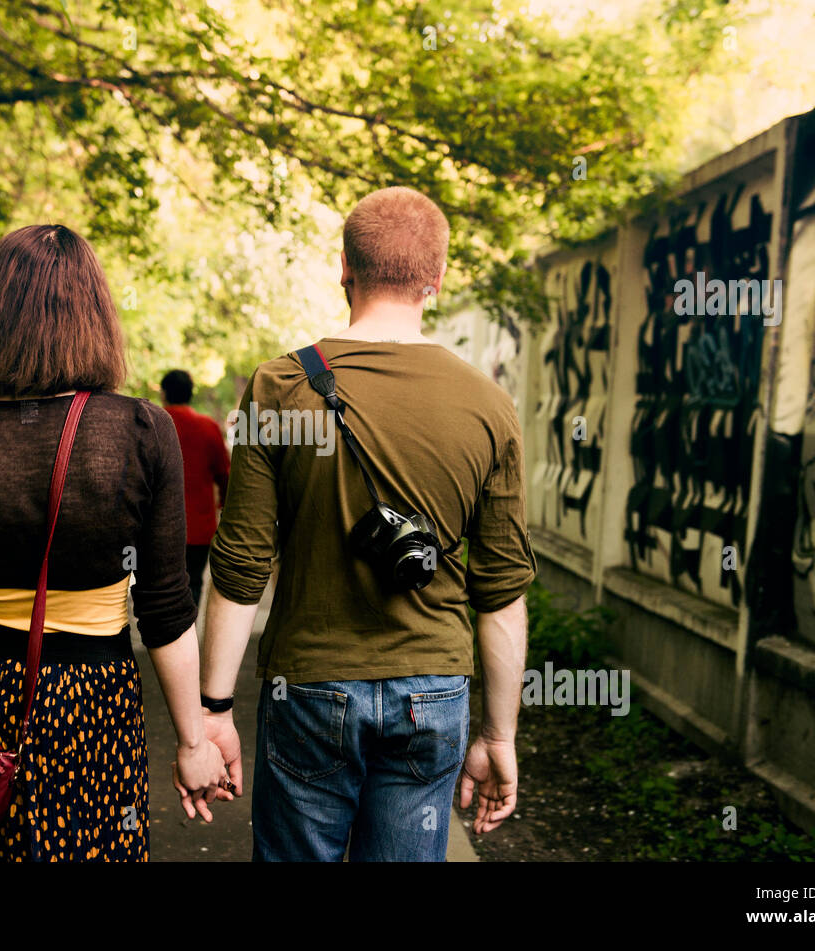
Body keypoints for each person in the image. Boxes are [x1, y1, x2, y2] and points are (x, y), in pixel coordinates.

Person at [0, 224, 229, 863]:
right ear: (96, 317)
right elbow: (166, 612)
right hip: (92, 699)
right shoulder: (142, 431)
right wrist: (194, 741)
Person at [198, 186, 537, 861]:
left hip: (310, 688)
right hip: (433, 690)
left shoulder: (281, 385)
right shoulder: (489, 404)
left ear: (345, 268)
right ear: (436, 279)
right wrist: (499, 735)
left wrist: (211, 713)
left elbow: (239, 567)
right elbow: (500, 596)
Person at [159, 369, 230, 609]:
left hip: (157, 528)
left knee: (159, 587)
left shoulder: (152, 424)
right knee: (193, 584)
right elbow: (225, 476)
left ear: (164, 393)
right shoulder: (208, 427)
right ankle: (186, 636)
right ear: (190, 394)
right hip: (199, 528)